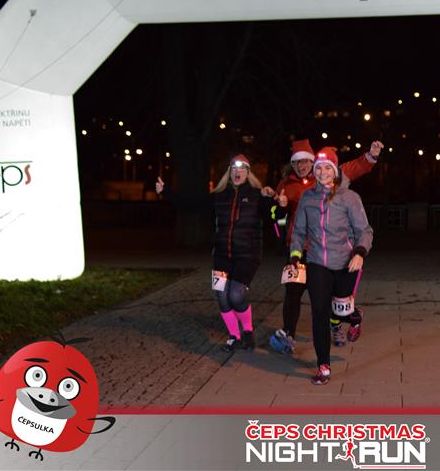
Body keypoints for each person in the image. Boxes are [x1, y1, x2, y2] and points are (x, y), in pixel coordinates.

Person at [155, 154, 287, 352]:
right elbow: (191, 204)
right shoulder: (219, 195)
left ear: (248, 173)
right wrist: (165, 192)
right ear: (229, 172)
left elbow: (277, 219)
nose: (237, 172)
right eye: (234, 169)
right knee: (222, 296)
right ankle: (234, 336)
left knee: (236, 294)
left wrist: (281, 206)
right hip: (222, 255)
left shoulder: (257, 196)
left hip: (247, 256)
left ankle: (248, 331)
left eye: (242, 169)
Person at [269, 139, 383, 354]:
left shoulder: (325, 174)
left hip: (328, 250)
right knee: (293, 291)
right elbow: (276, 219)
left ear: (312, 162)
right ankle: (289, 334)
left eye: (305, 162)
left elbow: (354, 167)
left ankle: (340, 323)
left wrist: (371, 156)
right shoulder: (285, 184)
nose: (301, 166)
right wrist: (280, 208)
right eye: (296, 163)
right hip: (299, 249)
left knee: (331, 298)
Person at [288, 147, 373, 385]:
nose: (323, 172)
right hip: (317, 263)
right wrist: (295, 256)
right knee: (319, 312)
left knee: (340, 311)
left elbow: (365, 231)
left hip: (346, 262)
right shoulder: (307, 198)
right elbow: (299, 231)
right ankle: (323, 365)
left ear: (335, 171)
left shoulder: (349, 198)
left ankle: (354, 317)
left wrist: (360, 252)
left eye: (328, 167)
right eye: (319, 168)